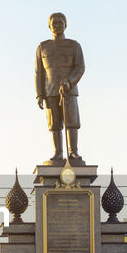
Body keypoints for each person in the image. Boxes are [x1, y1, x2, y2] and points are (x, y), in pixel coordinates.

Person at [34, 12, 86, 164]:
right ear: (49, 26)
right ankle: (58, 153)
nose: (57, 25)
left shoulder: (74, 46)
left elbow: (80, 67)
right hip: (50, 91)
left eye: (60, 22)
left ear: (65, 25)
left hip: (69, 91)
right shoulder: (42, 47)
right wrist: (39, 95)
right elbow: (39, 73)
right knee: (54, 124)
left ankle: (73, 152)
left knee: (72, 122)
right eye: (54, 22)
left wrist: (69, 82)